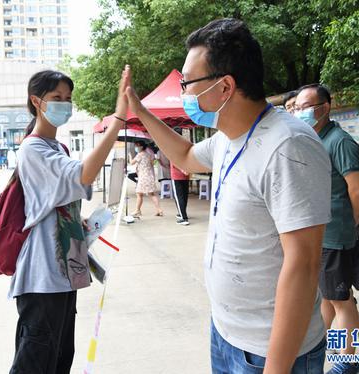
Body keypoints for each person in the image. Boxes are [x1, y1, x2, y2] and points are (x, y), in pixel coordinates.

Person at [125, 18, 332, 373]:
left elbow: (304, 264)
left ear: (224, 87)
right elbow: (187, 158)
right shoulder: (229, 138)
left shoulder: (288, 146)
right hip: (226, 334)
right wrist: (141, 112)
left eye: (188, 83)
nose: (184, 93)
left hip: (269, 352)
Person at [8, 66, 131, 374]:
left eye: (68, 97)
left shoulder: (58, 148)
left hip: (64, 270)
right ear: (37, 102)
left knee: (61, 358)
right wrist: (117, 119)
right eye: (56, 97)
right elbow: (84, 174)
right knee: (36, 363)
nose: (65, 103)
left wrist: (82, 225)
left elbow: (66, 197)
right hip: (42, 275)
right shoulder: (33, 148)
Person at [295, 84, 359, 374]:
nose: (300, 112)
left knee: (342, 301)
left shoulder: (339, 141)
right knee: (327, 297)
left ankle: (348, 363)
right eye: (297, 107)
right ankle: (322, 347)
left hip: (335, 235)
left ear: (324, 107)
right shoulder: (315, 138)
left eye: (306, 107)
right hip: (320, 234)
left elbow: (358, 188)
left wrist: (349, 219)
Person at [130, 140, 163, 217]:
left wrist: (129, 156)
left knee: (139, 194)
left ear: (140, 146)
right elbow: (151, 163)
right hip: (149, 176)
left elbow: (132, 162)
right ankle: (159, 209)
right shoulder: (148, 154)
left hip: (143, 177)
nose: (136, 147)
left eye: (136, 146)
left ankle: (137, 210)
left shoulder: (140, 155)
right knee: (151, 194)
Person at [171, 161, 190, 226]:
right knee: (184, 195)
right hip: (186, 175)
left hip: (177, 175)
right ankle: (182, 213)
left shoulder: (172, 151)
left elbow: (174, 162)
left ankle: (184, 218)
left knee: (178, 197)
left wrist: (182, 170)